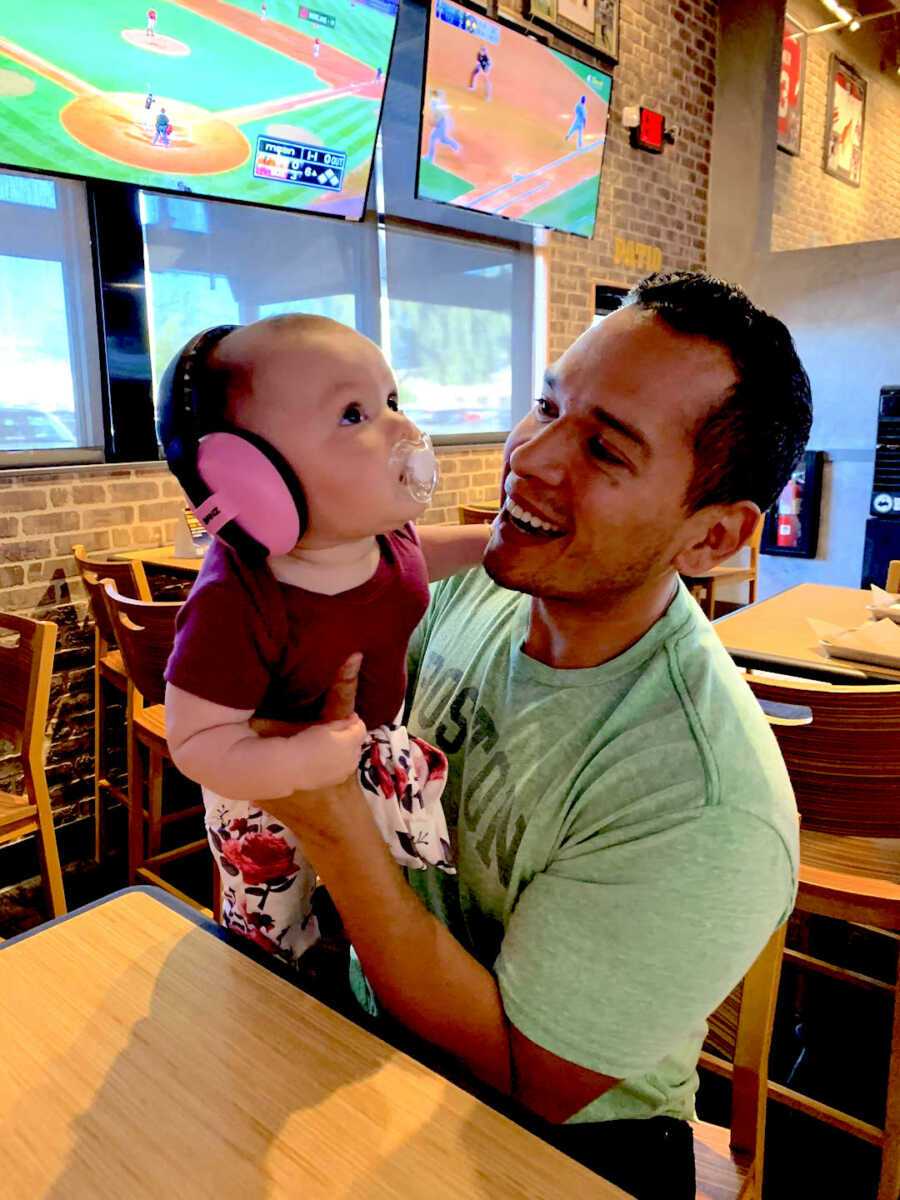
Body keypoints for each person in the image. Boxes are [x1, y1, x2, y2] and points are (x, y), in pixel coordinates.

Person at [243, 273, 811, 1200]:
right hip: (371, 1036)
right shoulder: (474, 587)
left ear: (713, 539)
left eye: (604, 449)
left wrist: (327, 818)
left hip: (568, 1142)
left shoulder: (704, 799)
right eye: (547, 403)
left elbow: (529, 1079)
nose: (531, 456)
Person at [161, 316, 491, 973]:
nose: (401, 429)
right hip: (261, 784)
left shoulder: (381, 536)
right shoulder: (238, 599)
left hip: (365, 750)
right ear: (250, 478)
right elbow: (196, 741)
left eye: (392, 402)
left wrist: (488, 547)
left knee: (380, 915)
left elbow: (413, 563)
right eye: (353, 414)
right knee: (270, 942)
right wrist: (298, 763)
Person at [425, 90, 460, 165]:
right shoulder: (434, 102)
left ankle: (430, 158)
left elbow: (439, 114)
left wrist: (434, 121)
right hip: (440, 123)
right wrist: (434, 120)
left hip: (441, 123)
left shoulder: (434, 102)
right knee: (442, 139)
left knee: (433, 137)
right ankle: (455, 145)